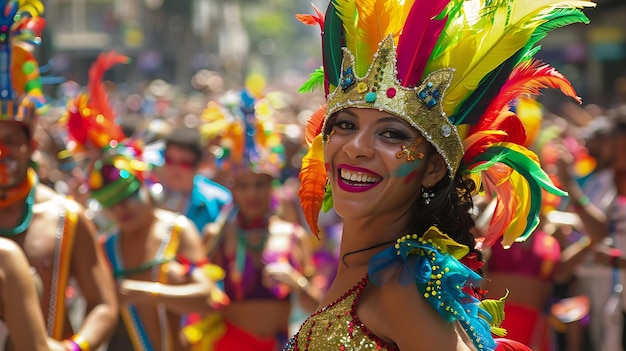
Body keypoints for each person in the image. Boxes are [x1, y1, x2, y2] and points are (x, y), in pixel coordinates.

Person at [288, 0, 594, 350]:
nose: (356, 146)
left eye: (391, 134)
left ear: (433, 169)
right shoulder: (373, 269)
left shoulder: (399, 284)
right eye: (344, 124)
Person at [63, 51, 229, 351]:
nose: (121, 209)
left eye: (127, 197)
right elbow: (94, 313)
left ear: (147, 188)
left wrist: (146, 292)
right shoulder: (106, 248)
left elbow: (208, 299)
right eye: (110, 203)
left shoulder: (179, 230)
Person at [0, 2, 118, 350]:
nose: (1, 154)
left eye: (10, 142)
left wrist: (73, 348)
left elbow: (103, 306)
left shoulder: (66, 217)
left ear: (31, 145)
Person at [201, 89, 321, 351]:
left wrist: (297, 282)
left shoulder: (293, 236)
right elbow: (197, 298)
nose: (252, 194)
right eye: (243, 186)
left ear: (272, 187)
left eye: (259, 185)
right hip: (228, 344)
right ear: (233, 189)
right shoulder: (217, 234)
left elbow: (318, 308)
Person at [151, 126, 233, 236]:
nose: (175, 169)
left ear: (198, 165)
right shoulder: (149, 195)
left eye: (184, 164)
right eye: (170, 161)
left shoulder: (220, 200)